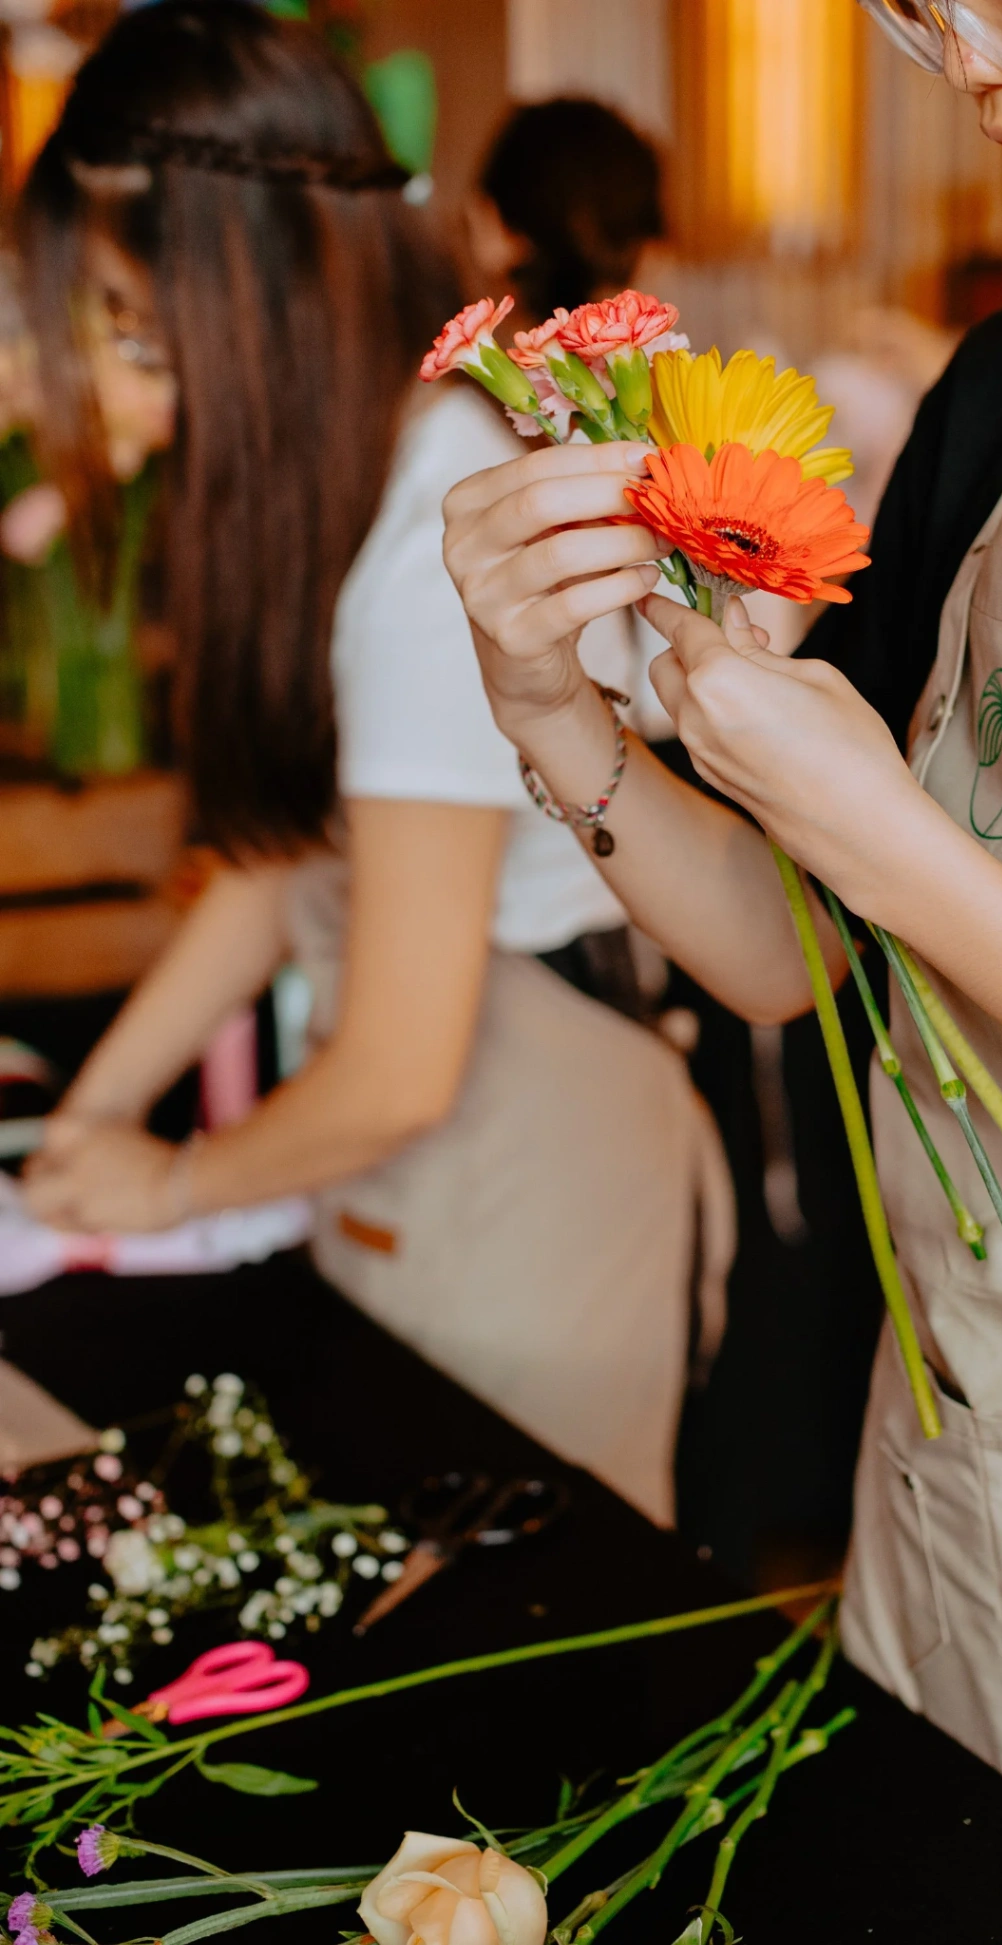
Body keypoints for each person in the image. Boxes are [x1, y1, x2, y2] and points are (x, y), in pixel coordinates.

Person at [442, 0, 1002, 1936]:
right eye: (918, 14)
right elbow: (788, 959)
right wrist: (553, 711)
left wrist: (902, 850)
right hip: (945, 1501)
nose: (966, 59)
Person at [20, 5, 729, 1528]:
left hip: (523, 1138)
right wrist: (107, 1115)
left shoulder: (431, 527)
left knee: (519, 1635)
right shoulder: (358, 485)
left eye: (140, 332)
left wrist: (168, 1181)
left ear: (249, 294)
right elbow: (290, 860)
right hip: (426, 1127)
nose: (134, 393)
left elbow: (402, 1060)